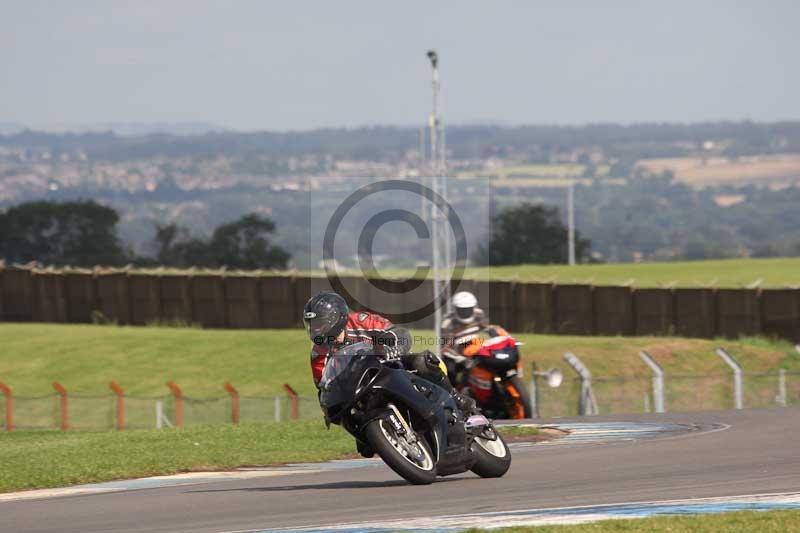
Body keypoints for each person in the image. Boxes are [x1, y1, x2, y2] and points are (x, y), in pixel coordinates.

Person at [303, 291, 476, 415]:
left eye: (319, 324)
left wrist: (393, 347)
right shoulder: (318, 353)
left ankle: (455, 397)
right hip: (360, 390)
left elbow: (398, 333)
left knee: (423, 361)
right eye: (311, 325)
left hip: (389, 366)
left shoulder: (361, 321)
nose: (315, 330)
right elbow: (324, 388)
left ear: (336, 318)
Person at [439, 291, 491, 380]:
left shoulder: (479, 315)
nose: (465, 312)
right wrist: (461, 359)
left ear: (474, 307)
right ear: (455, 309)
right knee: (450, 370)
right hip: (456, 355)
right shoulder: (447, 323)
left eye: (468, 309)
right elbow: (445, 349)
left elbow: (487, 330)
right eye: (462, 310)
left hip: (477, 349)